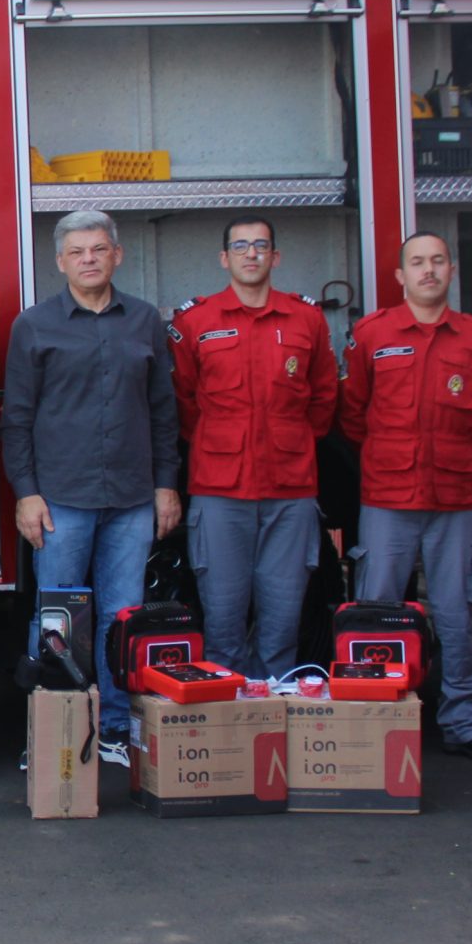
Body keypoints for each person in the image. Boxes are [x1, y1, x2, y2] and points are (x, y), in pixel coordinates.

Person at [340, 232, 472, 762]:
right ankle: (376, 717)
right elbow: (352, 413)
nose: (428, 271)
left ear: (451, 270)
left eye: (437, 261)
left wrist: (457, 451)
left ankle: (465, 723)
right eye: (417, 263)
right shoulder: (372, 334)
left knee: (454, 615)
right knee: (377, 613)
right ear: (399, 276)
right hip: (388, 497)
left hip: (452, 498)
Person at [1, 210, 179, 760]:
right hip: (61, 500)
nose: (89, 260)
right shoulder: (34, 325)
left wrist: (166, 485)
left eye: (99, 250)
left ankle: (117, 730)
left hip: (130, 498)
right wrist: (26, 493)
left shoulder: (145, 321)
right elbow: (17, 417)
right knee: (58, 617)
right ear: (60, 262)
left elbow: (163, 412)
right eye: (77, 253)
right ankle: (54, 731)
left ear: (116, 255)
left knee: (123, 615)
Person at [170, 215, 338, 678]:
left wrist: (292, 442)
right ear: (224, 258)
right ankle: (233, 717)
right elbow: (183, 401)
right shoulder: (196, 320)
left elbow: (324, 398)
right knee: (222, 614)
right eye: (240, 246)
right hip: (220, 491)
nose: (251, 254)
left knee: (283, 614)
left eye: (261, 245)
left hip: (290, 491)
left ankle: (272, 708)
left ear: (275, 257)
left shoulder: (306, 319)